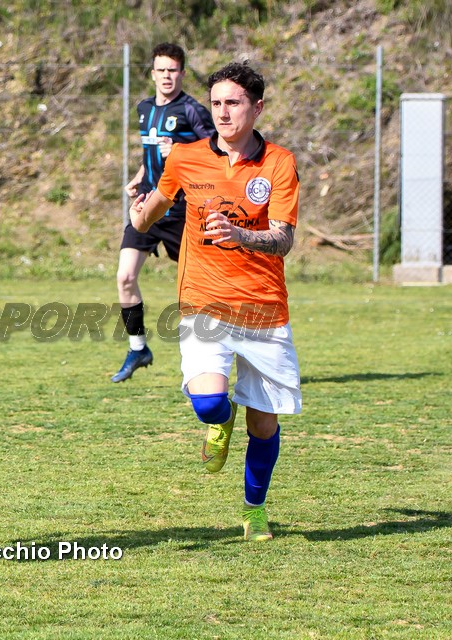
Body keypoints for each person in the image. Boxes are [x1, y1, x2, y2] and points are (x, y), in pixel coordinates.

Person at [129, 62, 301, 542]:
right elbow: (151, 212)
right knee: (208, 403)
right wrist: (136, 213)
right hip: (203, 301)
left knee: (263, 426)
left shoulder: (279, 163)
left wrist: (239, 234)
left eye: (234, 103)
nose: (223, 113)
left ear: (257, 107)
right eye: (217, 103)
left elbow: (284, 240)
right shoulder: (186, 157)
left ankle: (254, 510)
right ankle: (220, 423)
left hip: (263, 308)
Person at [112, 43, 216, 383]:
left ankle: (216, 354)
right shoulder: (144, 108)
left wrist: (183, 150)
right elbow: (151, 153)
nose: (167, 76)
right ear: (153, 73)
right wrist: (139, 176)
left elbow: (217, 152)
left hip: (183, 209)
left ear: (182, 73)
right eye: (161, 70)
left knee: (200, 285)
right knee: (125, 277)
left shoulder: (193, 111)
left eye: (173, 70)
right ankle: (138, 348)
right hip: (148, 203)